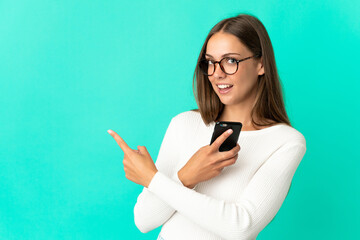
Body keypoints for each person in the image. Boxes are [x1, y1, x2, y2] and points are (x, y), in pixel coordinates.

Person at [108, 13, 307, 240]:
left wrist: (152, 179)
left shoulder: (285, 141)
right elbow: (144, 221)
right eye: (210, 62)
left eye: (231, 61)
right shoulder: (184, 123)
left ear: (261, 64)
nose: (217, 73)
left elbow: (242, 227)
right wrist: (186, 177)